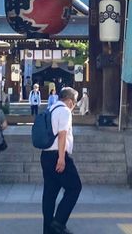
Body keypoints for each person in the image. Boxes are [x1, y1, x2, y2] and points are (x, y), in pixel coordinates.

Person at [40, 87, 81, 234]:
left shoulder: (50, 109)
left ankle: (48, 229)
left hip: (45, 155)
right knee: (75, 187)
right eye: (75, 102)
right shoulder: (64, 111)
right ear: (70, 101)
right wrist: (62, 158)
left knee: (50, 193)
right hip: (58, 155)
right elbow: (62, 135)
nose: (75, 105)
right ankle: (58, 222)